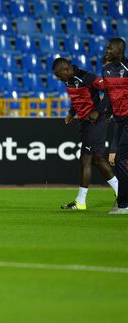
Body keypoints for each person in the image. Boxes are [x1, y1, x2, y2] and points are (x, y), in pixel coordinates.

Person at [51, 57, 118, 210]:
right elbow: (78, 99)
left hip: (95, 122)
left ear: (67, 70)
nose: (58, 79)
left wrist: (98, 111)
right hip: (85, 122)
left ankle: (81, 201)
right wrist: (71, 113)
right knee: (96, 159)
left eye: (59, 75)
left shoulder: (86, 77)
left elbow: (109, 91)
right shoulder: (68, 80)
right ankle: (122, 192)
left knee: (86, 159)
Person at [101, 38, 128, 214]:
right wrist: (106, 113)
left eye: (110, 48)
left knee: (120, 159)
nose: (106, 50)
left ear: (120, 50)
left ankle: (124, 204)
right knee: (118, 160)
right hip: (119, 118)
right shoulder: (106, 70)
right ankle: (122, 203)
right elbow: (110, 95)